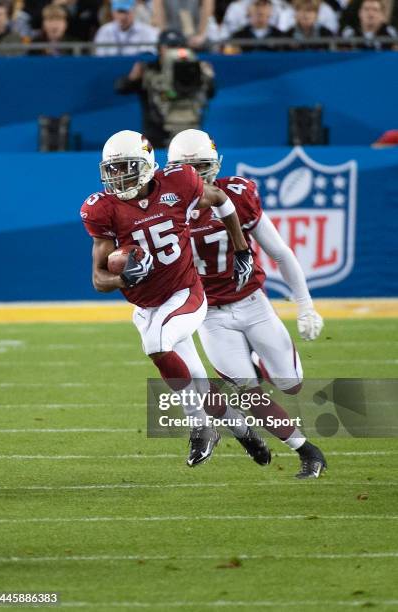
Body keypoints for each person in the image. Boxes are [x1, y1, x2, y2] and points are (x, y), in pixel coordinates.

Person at [80, 129, 269, 468]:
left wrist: (242, 250)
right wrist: (123, 277)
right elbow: (98, 279)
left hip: (186, 293)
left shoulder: (178, 183)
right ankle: (246, 434)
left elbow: (222, 201)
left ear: (148, 164)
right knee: (197, 382)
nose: (119, 176)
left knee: (156, 344)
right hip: (147, 306)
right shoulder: (103, 209)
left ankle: (201, 428)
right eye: (113, 169)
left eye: (126, 167)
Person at [167, 129, 327, 479]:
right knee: (248, 395)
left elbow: (279, 251)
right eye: (188, 170)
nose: (196, 177)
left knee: (291, 384)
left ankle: (260, 362)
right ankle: (308, 452)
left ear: (216, 165)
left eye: (203, 168)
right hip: (209, 315)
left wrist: (305, 304)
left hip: (252, 302)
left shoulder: (236, 194)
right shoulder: (165, 209)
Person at [114, 29, 215, 147]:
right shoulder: (150, 70)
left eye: (177, 46)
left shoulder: (194, 68)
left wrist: (208, 77)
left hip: (189, 130)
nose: (173, 50)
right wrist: (132, 78)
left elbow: (210, 92)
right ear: (159, 48)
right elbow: (120, 88)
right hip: (156, 134)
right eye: (168, 46)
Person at [94, 0, 158, 56]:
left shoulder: (146, 31)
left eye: (126, 12)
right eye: (119, 12)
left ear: (133, 11)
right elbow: (100, 57)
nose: (123, 17)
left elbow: (149, 57)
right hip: (110, 68)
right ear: (113, 12)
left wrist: (139, 64)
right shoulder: (104, 31)